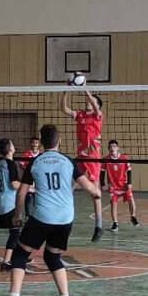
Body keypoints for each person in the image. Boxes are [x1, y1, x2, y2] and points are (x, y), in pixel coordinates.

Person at [0, 124, 100, 296]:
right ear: (59, 141)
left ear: (41, 142)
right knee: (52, 257)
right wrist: (98, 216)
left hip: (42, 216)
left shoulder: (35, 162)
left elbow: (21, 193)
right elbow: (92, 191)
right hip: (65, 219)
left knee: (20, 254)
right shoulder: (68, 162)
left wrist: (17, 216)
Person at [60, 90, 104, 241]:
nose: (88, 103)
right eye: (88, 101)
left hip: (93, 160)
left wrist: (85, 89)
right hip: (80, 159)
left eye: (91, 102)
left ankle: (98, 226)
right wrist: (65, 92)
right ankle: (65, 223)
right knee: (68, 189)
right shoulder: (79, 115)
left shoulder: (98, 116)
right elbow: (64, 109)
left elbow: (95, 106)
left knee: (95, 193)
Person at [0, 138, 22, 271]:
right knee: (15, 233)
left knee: (17, 231)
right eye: (12, 144)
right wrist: (28, 187)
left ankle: (18, 257)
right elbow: (14, 184)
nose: (14, 145)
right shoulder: (10, 164)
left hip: (2, 202)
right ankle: (6, 262)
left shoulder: (0, 164)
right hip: (10, 203)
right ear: (10, 149)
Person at [104, 139, 139, 231]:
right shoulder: (106, 159)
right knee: (113, 203)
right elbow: (102, 172)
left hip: (124, 184)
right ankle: (115, 223)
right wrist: (102, 184)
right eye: (110, 147)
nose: (112, 148)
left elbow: (129, 170)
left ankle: (133, 217)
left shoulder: (124, 158)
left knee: (131, 198)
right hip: (112, 185)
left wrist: (129, 183)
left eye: (114, 146)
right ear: (108, 148)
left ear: (118, 148)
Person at [19, 137, 40, 218]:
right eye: (33, 142)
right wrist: (27, 170)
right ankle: (27, 216)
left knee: (37, 199)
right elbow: (21, 165)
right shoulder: (26, 154)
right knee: (28, 199)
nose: (34, 144)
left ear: (39, 144)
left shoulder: (41, 155)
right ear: (30, 144)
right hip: (29, 181)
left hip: (38, 181)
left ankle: (37, 215)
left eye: (36, 142)